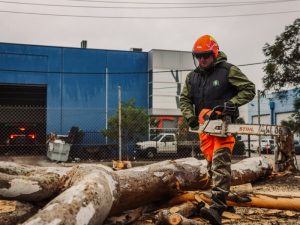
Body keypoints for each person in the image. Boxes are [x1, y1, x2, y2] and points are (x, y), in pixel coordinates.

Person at [180, 35, 255, 225]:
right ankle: (225, 201)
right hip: (204, 125)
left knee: (221, 163)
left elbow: (248, 89)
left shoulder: (228, 71)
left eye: (205, 55)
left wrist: (232, 104)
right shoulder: (192, 77)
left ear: (214, 53)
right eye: (198, 56)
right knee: (211, 164)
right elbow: (185, 99)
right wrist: (189, 116)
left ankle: (217, 208)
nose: (202, 60)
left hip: (223, 124)